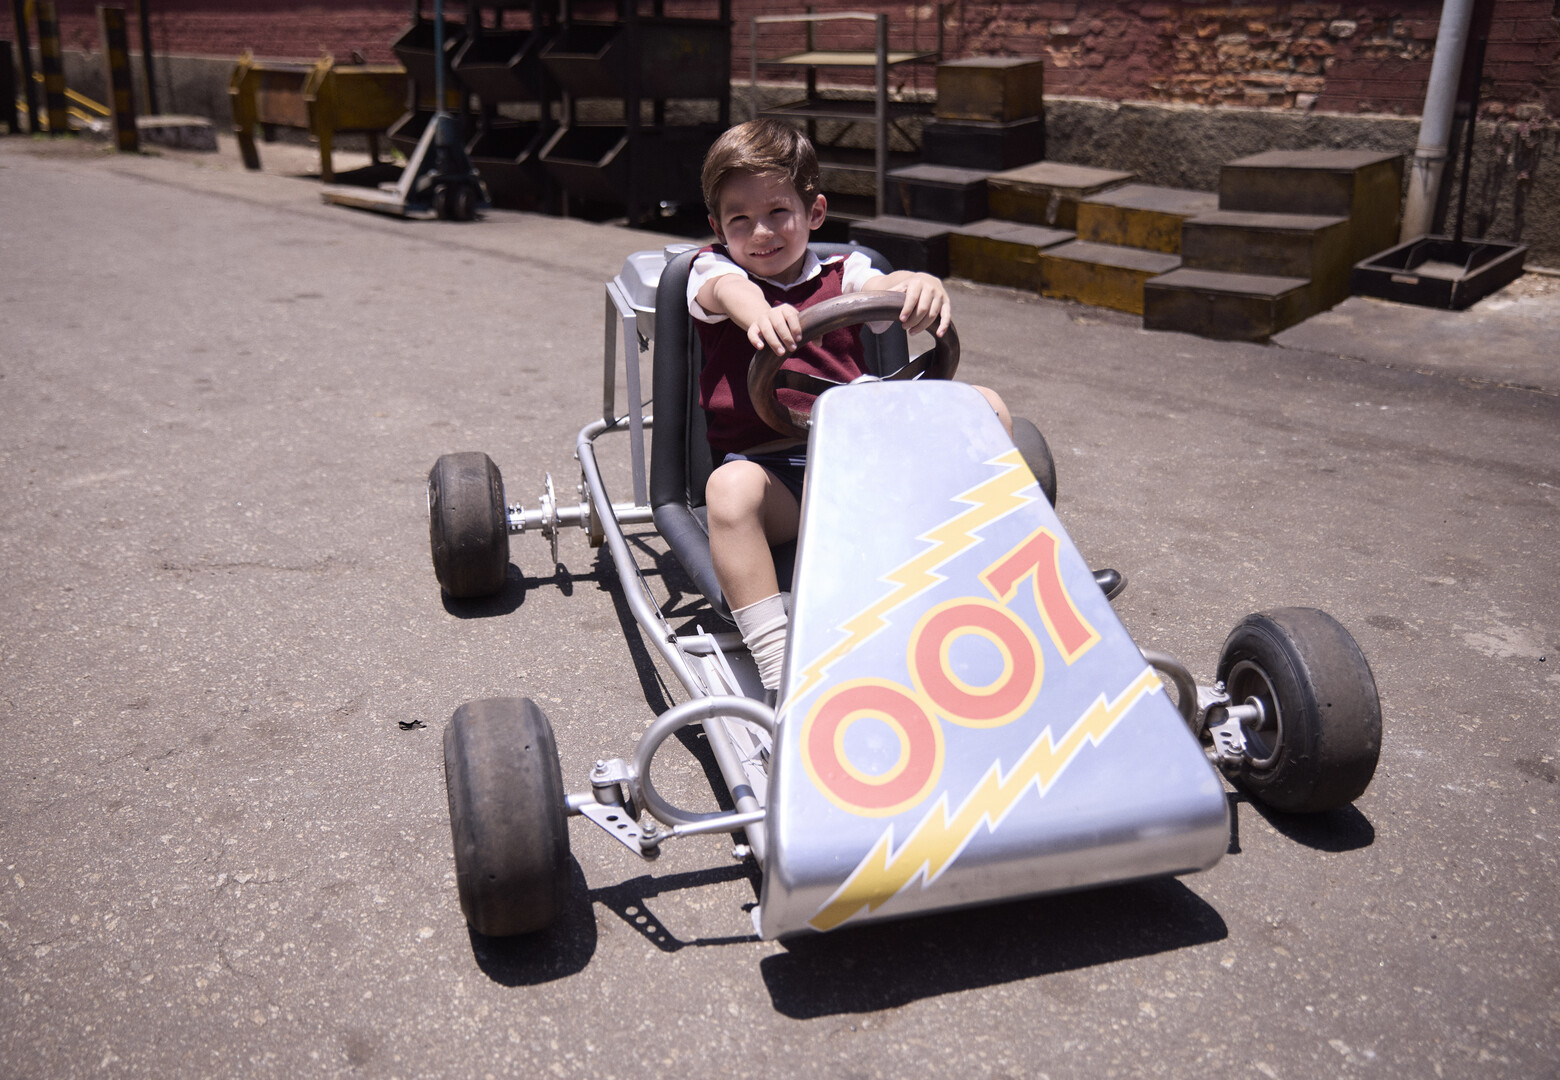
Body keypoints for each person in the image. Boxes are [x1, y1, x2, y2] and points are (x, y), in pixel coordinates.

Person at [689, 119, 1014, 694]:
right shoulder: (718, 272)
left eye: (777, 213)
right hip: (777, 476)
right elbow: (721, 291)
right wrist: (754, 310)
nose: (760, 232)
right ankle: (778, 662)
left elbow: (888, 283)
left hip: (857, 455)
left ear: (814, 213)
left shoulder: (845, 273)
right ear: (719, 227)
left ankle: (1002, 581)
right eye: (740, 219)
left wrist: (921, 284)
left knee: (983, 406)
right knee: (729, 489)